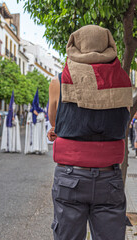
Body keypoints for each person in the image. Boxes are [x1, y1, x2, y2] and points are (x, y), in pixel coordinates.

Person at [48, 25, 133, 240]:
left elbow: (55, 120)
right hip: (109, 176)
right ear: (108, 46)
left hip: (70, 176)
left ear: (75, 45)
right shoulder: (123, 81)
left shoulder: (59, 81)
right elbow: (123, 121)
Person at [24, 89, 48, 154]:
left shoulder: (40, 110)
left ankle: (38, 149)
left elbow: (42, 118)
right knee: (33, 137)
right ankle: (32, 149)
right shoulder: (31, 111)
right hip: (33, 126)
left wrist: (37, 114)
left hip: (38, 126)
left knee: (38, 137)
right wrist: (29, 121)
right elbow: (29, 118)